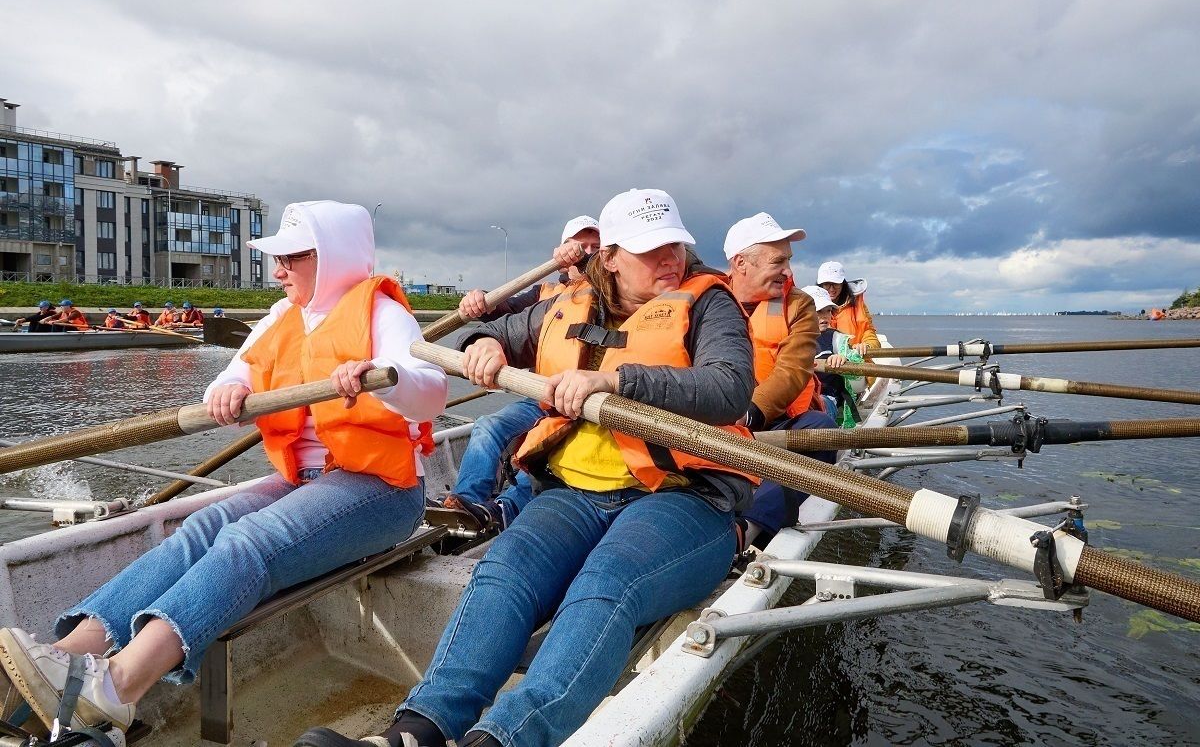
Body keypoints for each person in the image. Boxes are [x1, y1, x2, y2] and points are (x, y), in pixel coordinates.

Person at [296, 188, 758, 747]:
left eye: (674, 247)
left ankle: (505, 739)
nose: (670, 260)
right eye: (650, 249)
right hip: (574, 494)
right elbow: (495, 333)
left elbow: (730, 389)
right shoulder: (570, 303)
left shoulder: (710, 303)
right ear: (609, 256)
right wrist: (485, 342)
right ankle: (416, 731)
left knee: (606, 584)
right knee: (505, 571)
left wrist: (614, 380)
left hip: (685, 498)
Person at [0, 201, 447, 737]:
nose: (278, 270)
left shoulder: (382, 313)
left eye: (292, 258)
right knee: (200, 529)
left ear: (333, 256)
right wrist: (229, 389)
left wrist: (386, 377)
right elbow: (229, 379)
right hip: (301, 481)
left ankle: (117, 687)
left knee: (247, 541)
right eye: (277, 259)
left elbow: (431, 394)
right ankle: (67, 658)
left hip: (382, 490)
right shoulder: (282, 317)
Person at [442, 216, 601, 531]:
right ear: (560, 255)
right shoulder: (546, 293)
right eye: (580, 246)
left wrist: (584, 262)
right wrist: (480, 301)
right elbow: (501, 312)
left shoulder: (610, 294)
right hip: (539, 399)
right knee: (487, 425)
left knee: (546, 457)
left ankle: (503, 510)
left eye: (596, 248)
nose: (587, 253)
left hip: (584, 408)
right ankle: (465, 505)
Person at [723, 213, 837, 549]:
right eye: (779, 261)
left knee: (820, 430)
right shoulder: (705, 298)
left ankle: (747, 529)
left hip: (771, 423)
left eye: (789, 260)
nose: (788, 270)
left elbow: (794, 369)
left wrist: (748, 413)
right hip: (712, 422)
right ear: (741, 263)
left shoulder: (798, 305)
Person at [802, 284, 865, 428]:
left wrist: (844, 360)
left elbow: (858, 375)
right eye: (818, 311)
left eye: (828, 310)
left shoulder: (836, 339)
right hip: (799, 398)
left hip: (827, 399)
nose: (825, 316)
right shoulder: (790, 338)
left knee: (815, 410)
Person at [816, 260, 879, 353]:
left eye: (835, 283)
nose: (831, 289)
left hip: (856, 360)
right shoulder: (810, 306)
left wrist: (867, 345)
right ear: (820, 285)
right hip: (824, 361)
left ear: (843, 283)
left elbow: (868, 331)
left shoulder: (858, 304)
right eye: (827, 284)